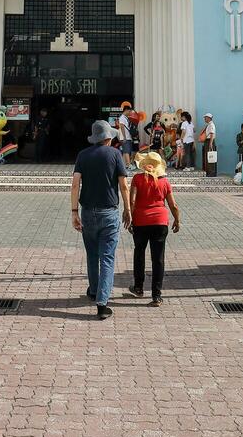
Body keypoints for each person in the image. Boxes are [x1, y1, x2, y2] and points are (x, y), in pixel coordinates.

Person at [71, 120, 131, 319]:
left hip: (88, 211)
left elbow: (75, 185)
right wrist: (128, 209)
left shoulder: (82, 155)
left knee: (92, 254)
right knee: (107, 257)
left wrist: (74, 212)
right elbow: (123, 185)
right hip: (109, 212)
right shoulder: (115, 154)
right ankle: (102, 302)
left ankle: (94, 290)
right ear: (108, 137)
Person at [126, 150, 180, 305]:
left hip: (140, 221)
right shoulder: (165, 182)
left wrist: (130, 217)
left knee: (139, 253)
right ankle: (156, 295)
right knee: (158, 258)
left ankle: (138, 287)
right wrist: (177, 220)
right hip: (160, 222)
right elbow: (173, 205)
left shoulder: (137, 179)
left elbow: (132, 201)